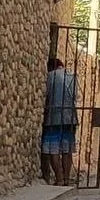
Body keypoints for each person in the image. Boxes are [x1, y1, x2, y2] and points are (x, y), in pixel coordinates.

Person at [40, 56, 77, 186]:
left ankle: (59, 179)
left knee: (52, 149)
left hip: (54, 118)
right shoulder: (72, 76)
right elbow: (77, 96)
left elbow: (46, 94)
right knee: (67, 150)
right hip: (70, 118)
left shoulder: (50, 76)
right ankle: (66, 179)